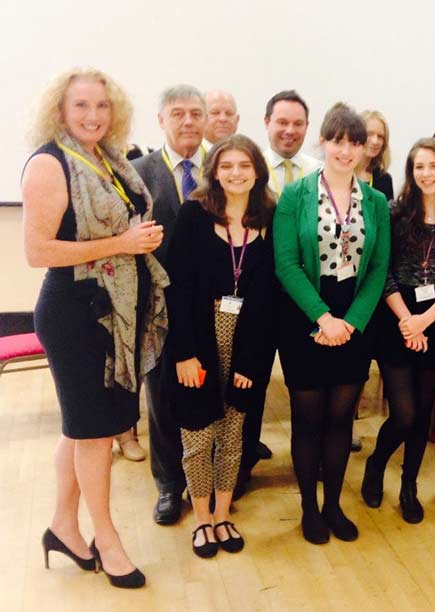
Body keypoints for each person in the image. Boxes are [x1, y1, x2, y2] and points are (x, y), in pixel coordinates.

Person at [25, 68, 168, 589]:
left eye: (102, 106)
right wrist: (122, 245)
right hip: (74, 312)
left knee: (83, 427)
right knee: (95, 433)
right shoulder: (49, 164)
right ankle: (106, 538)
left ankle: (64, 526)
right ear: (59, 110)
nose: (93, 115)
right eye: (81, 105)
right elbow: (38, 251)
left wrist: (136, 244)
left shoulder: (107, 159)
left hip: (111, 309)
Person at [273, 104, 390, 544]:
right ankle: (308, 509)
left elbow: (378, 268)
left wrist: (351, 322)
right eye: (337, 140)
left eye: (354, 142)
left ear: (365, 149)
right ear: (322, 141)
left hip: (355, 318)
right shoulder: (295, 195)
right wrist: (324, 318)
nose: (345, 150)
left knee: (341, 420)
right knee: (308, 420)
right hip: (305, 314)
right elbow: (285, 264)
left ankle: (333, 505)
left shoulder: (376, 201)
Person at [165, 135, 278, 557]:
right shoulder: (194, 214)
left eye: (243, 165)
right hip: (198, 336)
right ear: (214, 170)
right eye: (226, 165)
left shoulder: (268, 214)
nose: (235, 173)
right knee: (197, 434)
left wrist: (252, 360)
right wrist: (183, 353)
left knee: (234, 434)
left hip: (247, 338)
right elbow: (176, 289)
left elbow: (268, 296)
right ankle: (201, 520)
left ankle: (223, 513)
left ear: (257, 171)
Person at [362, 139, 435, 524]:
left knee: (423, 414)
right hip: (397, 316)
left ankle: (409, 486)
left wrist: (425, 321)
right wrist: (408, 319)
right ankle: (376, 465)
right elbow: (383, 272)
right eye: (419, 167)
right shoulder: (394, 213)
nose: (426, 173)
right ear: (411, 172)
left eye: (434, 166)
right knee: (404, 414)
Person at [132, 84, 207, 526]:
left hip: (212, 304)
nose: (188, 121)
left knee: (205, 393)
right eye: (177, 113)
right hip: (156, 306)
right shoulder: (137, 171)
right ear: (160, 120)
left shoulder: (222, 168)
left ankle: (207, 479)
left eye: (196, 113)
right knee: (161, 397)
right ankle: (168, 484)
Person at [263, 90, 322, 197]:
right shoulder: (253, 169)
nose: (290, 131)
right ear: (267, 122)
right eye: (283, 123)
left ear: (306, 126)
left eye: (298, 124)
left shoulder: (318, 171)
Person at [356, 110, 394, 200]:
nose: (375, 141)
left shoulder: (384, 179)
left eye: (380, 136)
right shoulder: (342, 173)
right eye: (369, 134)